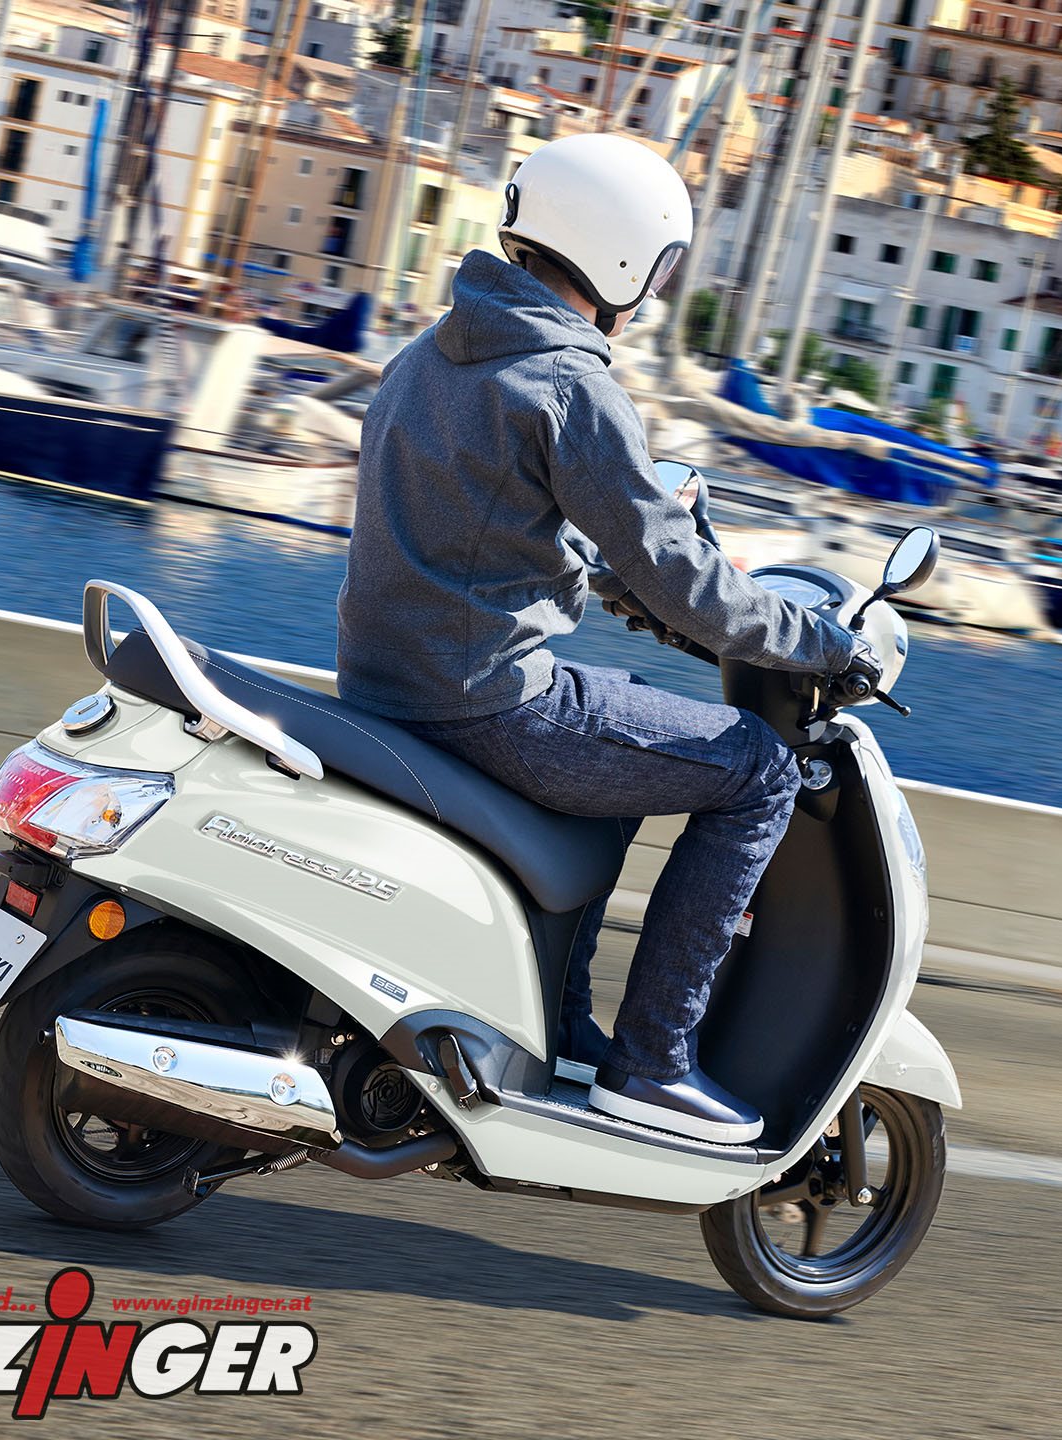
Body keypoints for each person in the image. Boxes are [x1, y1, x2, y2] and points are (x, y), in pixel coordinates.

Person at [336, 134, 875, 1145]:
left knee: (631, 719)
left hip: (391, 682)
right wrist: (817, 643)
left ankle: (561, 1020)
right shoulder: (567, 385)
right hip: (485, 703)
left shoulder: (431, 354)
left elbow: (479, 529)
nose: (656, 294)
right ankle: (655, 1060)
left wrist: (607, 581)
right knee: (756, 771)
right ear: (624, 256)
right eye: (660, 270)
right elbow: (682, 572)